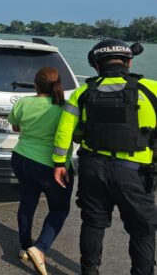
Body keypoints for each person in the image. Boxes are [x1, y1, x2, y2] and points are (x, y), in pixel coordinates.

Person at [53, 39, 157, 275]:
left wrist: (60, 163)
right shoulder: (151, 88)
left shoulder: (83, 91)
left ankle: (90, 271)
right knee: (142, 230)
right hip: (135, 171)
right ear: (128, 63)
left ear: (97, 66)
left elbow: (65, 130)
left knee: (93, 222)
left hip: (93, 167)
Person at [8, 67, 73, 275]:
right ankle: (40, 247)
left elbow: (15, 127)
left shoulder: (24, 102)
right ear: (58, 85)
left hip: (21, 158)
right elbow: (74, 133)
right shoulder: (63, 108)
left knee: (27, 203)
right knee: (59, 209)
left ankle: (25, 245)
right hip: (50, 165)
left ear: (36, 85)